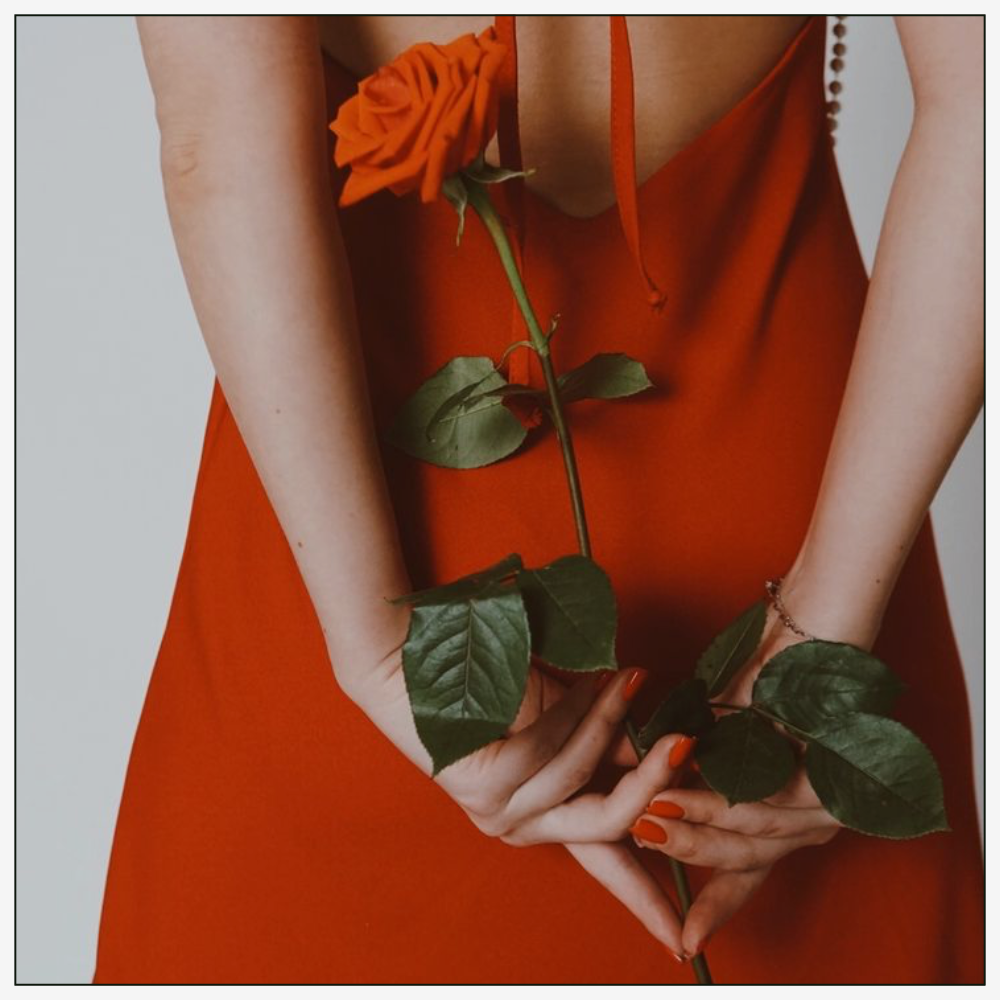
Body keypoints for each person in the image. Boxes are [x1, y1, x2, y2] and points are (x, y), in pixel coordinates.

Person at [92, 15, 984, 983]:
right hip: (805, 521)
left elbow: (219, 137)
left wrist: (382, 654)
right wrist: (830, 622)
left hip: (354, 553)